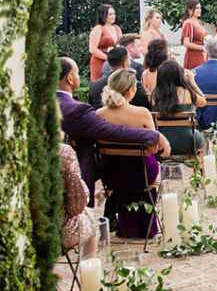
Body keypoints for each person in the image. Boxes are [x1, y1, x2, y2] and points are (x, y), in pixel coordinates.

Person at [57, 56, 169, 206]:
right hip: (73, 179)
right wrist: (153, 135)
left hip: (110, 175)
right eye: (77, 73)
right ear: (70, 78)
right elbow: (113, 131)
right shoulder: (76, 109)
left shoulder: (45, 102)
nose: (79, 77)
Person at [96, 69, 161, 239]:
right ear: (131, 91)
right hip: (141, 174)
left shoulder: (99, 115)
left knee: (123, 169)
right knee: (149, 161)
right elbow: (153, 149)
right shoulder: (142, 113)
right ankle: (146, 226)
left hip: (112, 175)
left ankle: (127, 226)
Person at [55, 141, 97, 291]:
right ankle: (87, 290)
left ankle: (48, 281)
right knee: (90, 220)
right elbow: (77, 204)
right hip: (55, 234)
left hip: (16, 233)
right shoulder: (61, 152)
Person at [152, 59, 206, 154]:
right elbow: (203, 102)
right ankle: (197, 167)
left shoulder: (156, 94)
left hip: (162, 142)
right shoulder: (187, 92)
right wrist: (192, 83)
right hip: (189, 141)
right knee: (200, 137)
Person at [88, 4, 121, 81]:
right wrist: (108, 58)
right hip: (100, 62)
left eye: (114, 14)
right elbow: (92, 49)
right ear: (103, 15)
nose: (113, 16)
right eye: (110, 14)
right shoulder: (98, 29)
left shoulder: (117, 28)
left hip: (115, 62)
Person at [181, 0, 207, 70]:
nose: (199, 10)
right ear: (189, 10)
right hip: (194, 55)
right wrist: (202, 47)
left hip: (203, 54)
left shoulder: (200, 22)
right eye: (197, 8)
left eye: (200, 8)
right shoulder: (188, 23)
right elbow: (186, 43)